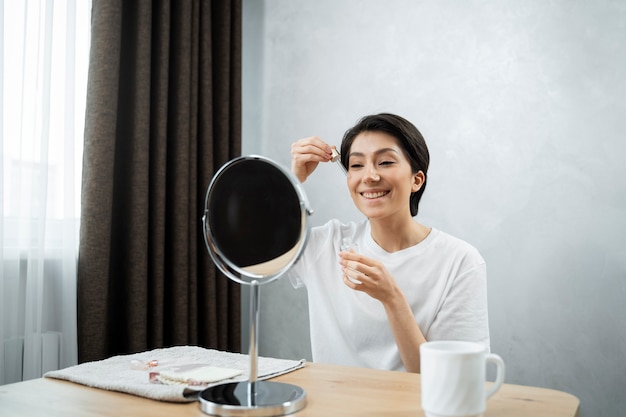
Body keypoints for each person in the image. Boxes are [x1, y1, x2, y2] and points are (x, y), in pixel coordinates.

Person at [288, 113, 490, 373]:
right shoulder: (325, 245)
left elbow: (453, 380)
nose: (369, 176)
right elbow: (243, 250)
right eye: (357, 165)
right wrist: (293, 180)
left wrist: (391, 298)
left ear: (416, 180)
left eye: (385, 162)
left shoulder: (460, 261)